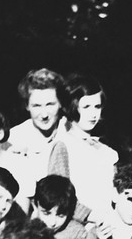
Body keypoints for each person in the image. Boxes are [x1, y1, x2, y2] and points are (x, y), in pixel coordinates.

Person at [47, 74, 118, 222]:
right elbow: (58, 196)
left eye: (97, 106)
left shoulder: (106, 150)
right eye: (86, 107)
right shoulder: (63, 145)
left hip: (109, 223)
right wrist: (94, 217)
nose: (93, 114)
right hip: (80, 226)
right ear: (72, 106)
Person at [8, 68, 68, 178]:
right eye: (37, 106)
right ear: (27, 106)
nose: (44, 115)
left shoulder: (72, 131)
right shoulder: (14, 139)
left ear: (60, 103)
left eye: (50, 104)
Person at [31, 175, 98, 239]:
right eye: (46, 213)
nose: (52, 223)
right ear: (35, 205)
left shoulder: (77, 232)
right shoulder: (27, 230)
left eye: (60, 215)